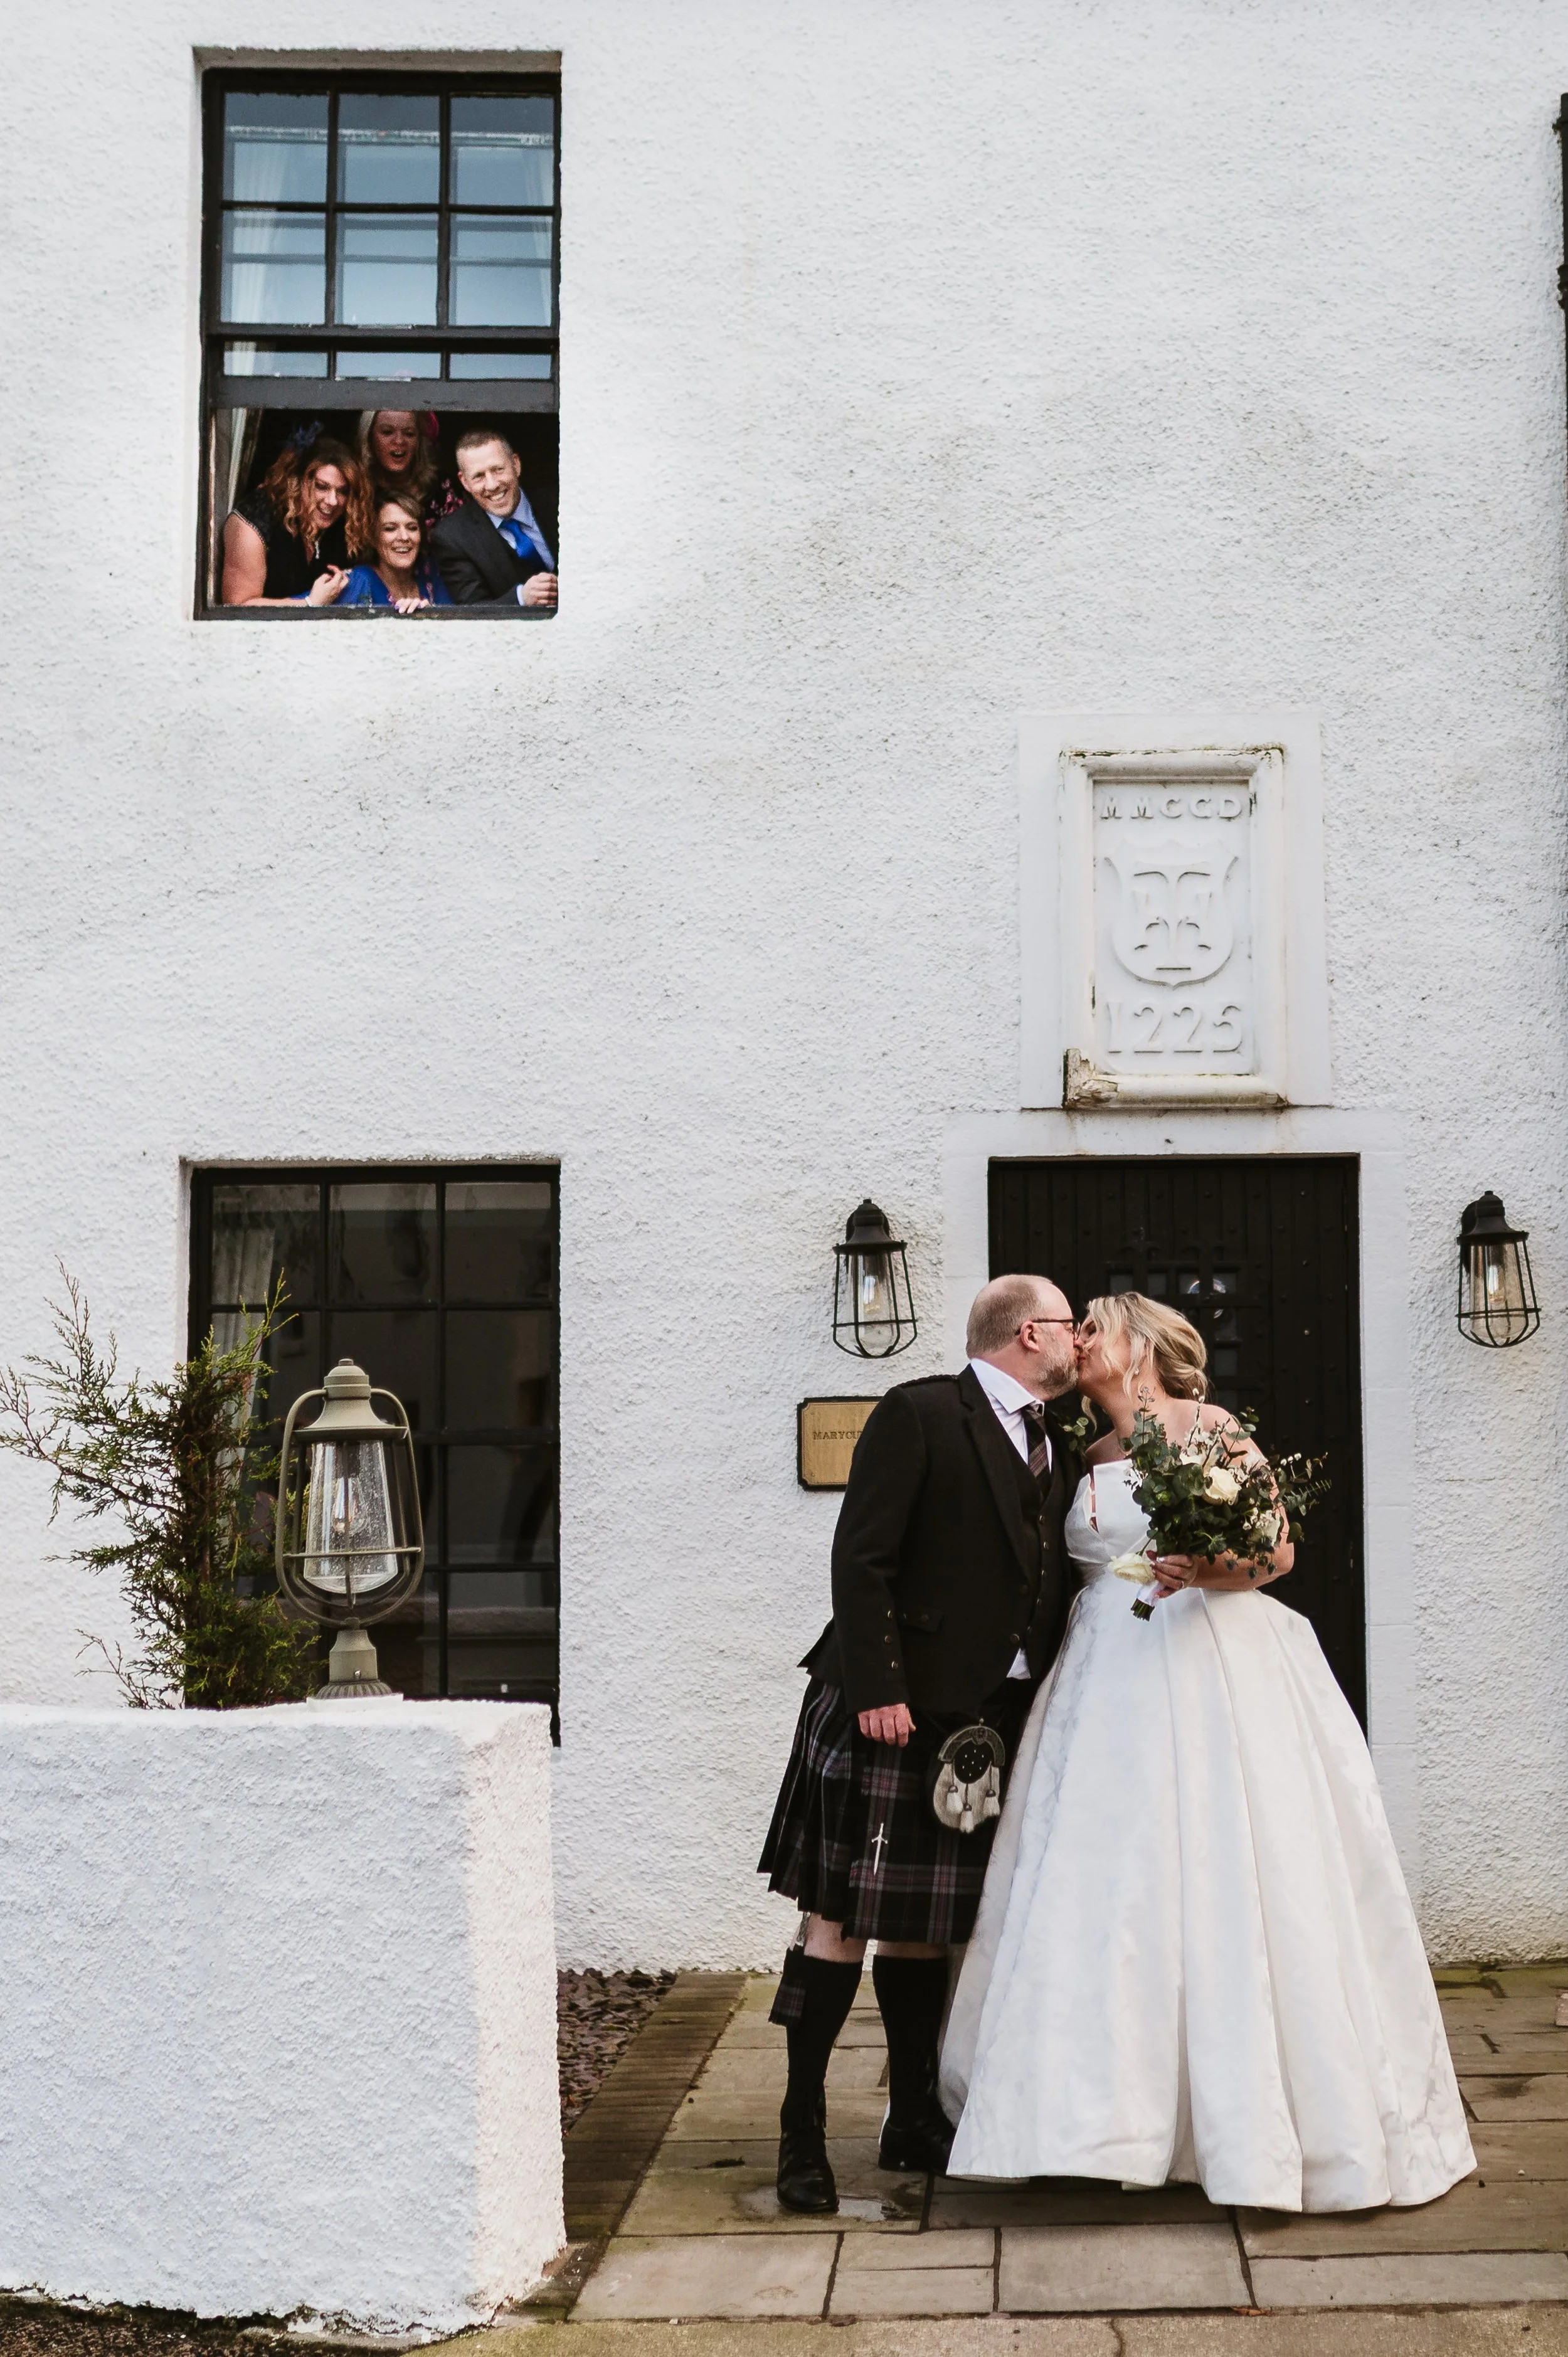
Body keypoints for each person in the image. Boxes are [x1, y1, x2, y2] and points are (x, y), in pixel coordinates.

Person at [940, 1291, 1475, 2214]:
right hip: (1103, 1684)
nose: (1082, 1339)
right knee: (1107, 1891)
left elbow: (1275, 1552)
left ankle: (1243, 2121)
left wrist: (1204, 1564)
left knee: (1231, 1875)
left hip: (1213, 1668)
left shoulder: (1213, 1427)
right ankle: (1088, 2122)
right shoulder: (1082, 1453)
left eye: (1096, 1324)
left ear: (1139, 1349)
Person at [756, 1275, 1086, 2216]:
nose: (1080, 1339)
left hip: (984, 1722)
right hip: (891, 1713)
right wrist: (880, 1689)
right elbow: (861, 1557)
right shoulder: (919, 1413)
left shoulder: (1050, 1439)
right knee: (840, 1922)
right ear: (1031, 1333)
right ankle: (802, 2133)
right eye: (1070, 1325)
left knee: (924, 1925)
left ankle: (909, 2115)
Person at [222, 435, 370, 606]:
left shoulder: (341, 522)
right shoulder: (254, 524)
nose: (333, 501)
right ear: (297, 481)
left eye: (343, 491)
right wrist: (310, 603)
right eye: (321, 487)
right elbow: (238, 606)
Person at [430, 430, 558, 609]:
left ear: (516, 464)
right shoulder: (451, 538)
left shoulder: (560, 503)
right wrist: (521, 598)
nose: (492, 485)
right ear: (465, 482)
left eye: (498, 470)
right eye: (479, 476)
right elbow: (472, 612)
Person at [339, 491, 453, 612]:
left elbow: (453, 625)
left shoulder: (429, 571)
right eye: (390, 529)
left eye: (412, 528)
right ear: (373, 538)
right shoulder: (359, 580)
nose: (404, 537)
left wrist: (431, 616)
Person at [356, 409, 461, 534]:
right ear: (369, 438)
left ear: (418, 442)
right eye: (387, 432)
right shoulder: (357, 489)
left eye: (409, 434)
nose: (399, 441)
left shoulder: (441, 486)